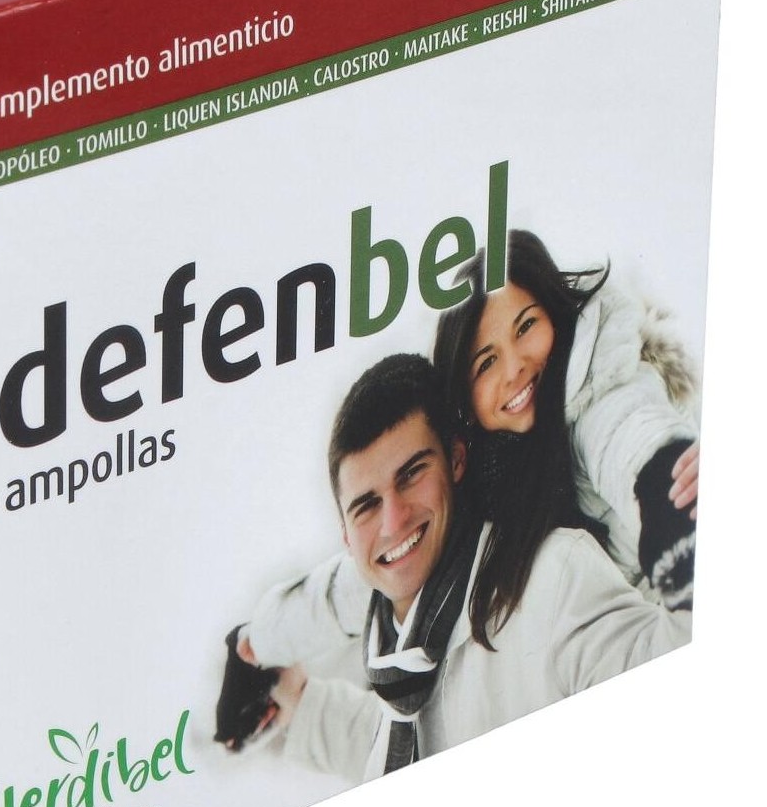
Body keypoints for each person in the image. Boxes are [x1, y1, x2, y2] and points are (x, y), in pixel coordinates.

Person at [230, 232, 697, 690]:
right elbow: (367, 574)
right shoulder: (475, 470)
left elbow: (629, 436)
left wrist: (665, 484)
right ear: (465, 398)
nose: (514, 368)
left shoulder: (599, 385)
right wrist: (262, 637)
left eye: (526, 327)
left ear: (555, 312)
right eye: (486, 363)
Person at [266, 354, 690, 782]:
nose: (393, 523)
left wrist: (692, 542)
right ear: (345, 535)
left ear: (455, 460)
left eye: (411, 475)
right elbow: (409, 743)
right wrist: (303, 708)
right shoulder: (394, 652)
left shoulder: (551, 578)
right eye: (367, 505)